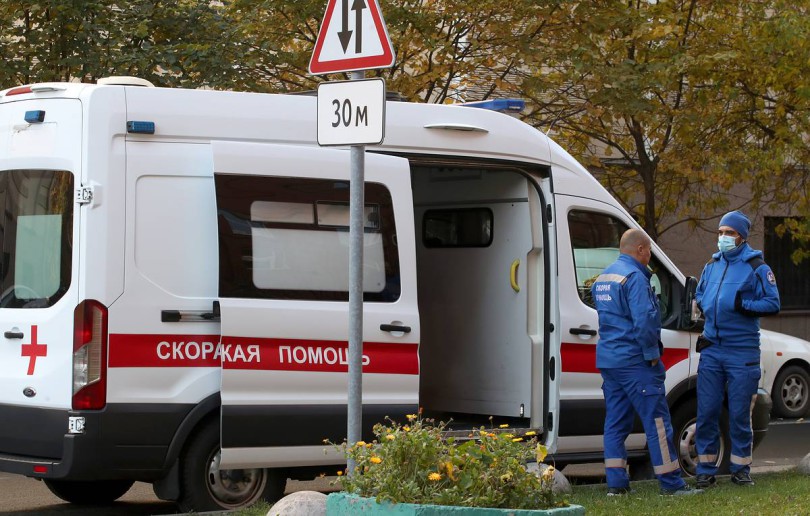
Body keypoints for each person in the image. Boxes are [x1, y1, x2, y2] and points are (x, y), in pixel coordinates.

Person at [591, 229, 701, 496]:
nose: (649, 255)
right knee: (658, 423)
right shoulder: (635, 278)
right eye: (649, 250)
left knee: (615, 424)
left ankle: (616, 486)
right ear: (640, 249)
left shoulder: (603, 278)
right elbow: (645, 323)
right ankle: (672, 484)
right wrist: (652, 357)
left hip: (610, 361)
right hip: (635, 362)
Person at [694, 211, 780, 488]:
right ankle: (705, 469)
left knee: (740, 414)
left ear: (741, 236)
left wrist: (746, 306)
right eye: (720, 232)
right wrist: (701, 303)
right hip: (712, 349)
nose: (723, 238)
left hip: (742, 351)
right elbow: (701, 293)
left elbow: (773, 303)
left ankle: (741, 469)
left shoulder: (757, 267)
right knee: (706, 411)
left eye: (728, 233)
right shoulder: (712, 265)